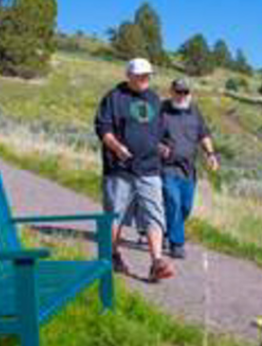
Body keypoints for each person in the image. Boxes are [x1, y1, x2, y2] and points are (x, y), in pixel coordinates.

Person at [94, 58, 175, 282]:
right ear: (129, 75)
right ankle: (112, 255)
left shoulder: (154, 99)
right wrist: (117, 147)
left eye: (147, 75)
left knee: (154, 214)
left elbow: (161, 130)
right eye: (140, 75)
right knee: (115, 214)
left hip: (150, 168)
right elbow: (103, 128)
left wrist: (164, 146)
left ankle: (157, 262)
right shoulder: (114, 97)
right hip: (120, 167)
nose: (144, 79)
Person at [160, 77, 219, 259]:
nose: (182, 95)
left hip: (188, 169)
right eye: (179, 92)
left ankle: (164, 230)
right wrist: (158, 146)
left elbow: (203, 134)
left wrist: (211, 154)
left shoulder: (194, 111)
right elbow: (148, 134)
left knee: (186, 207)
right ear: (171, 92)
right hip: (167, 167)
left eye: (185, 92)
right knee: (173, 201)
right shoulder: (161, 110)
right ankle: (177, 244)